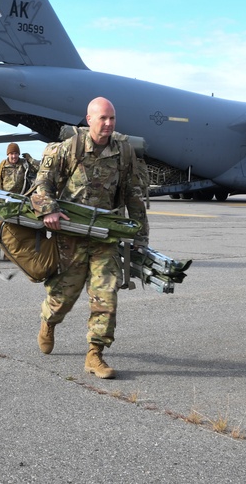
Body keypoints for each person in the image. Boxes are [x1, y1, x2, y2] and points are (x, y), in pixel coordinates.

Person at [29, 97, 149, 379]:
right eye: (102, 118)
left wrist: (140, 238)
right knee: (63, 297)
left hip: (104, 236)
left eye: (112, 119)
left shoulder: (124, 152)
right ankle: (49, 321)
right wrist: (49, 210)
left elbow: (133, 195)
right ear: (89, 119)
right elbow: (42, 183)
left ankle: (95, 354)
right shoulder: (69, 148)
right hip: (70, 234)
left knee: (106, 295)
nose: (108, 124)